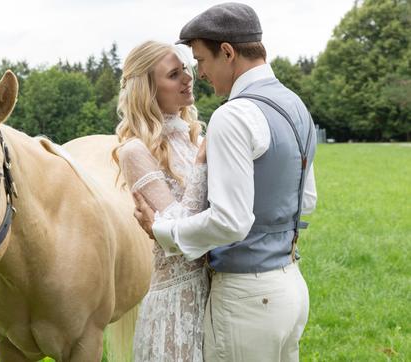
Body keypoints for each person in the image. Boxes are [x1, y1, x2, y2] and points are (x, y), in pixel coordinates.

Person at [133, 3, 318, 361]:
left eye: (201, 60)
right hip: (291, 287)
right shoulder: (295, 106)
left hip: (246, 298)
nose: (198, 73)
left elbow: (231, 222)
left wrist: (163, 232)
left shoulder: (233, 115)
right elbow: (305, 201)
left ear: (228, 53)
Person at [113, 40, 209, 361]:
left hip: (217, 291)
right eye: (173, 75)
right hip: (178, 299)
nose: (187, 79)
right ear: (148, 90)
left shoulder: (195, 137)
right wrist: (202, 163)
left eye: (185, 70)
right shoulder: (135, 151)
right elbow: (177, 227)